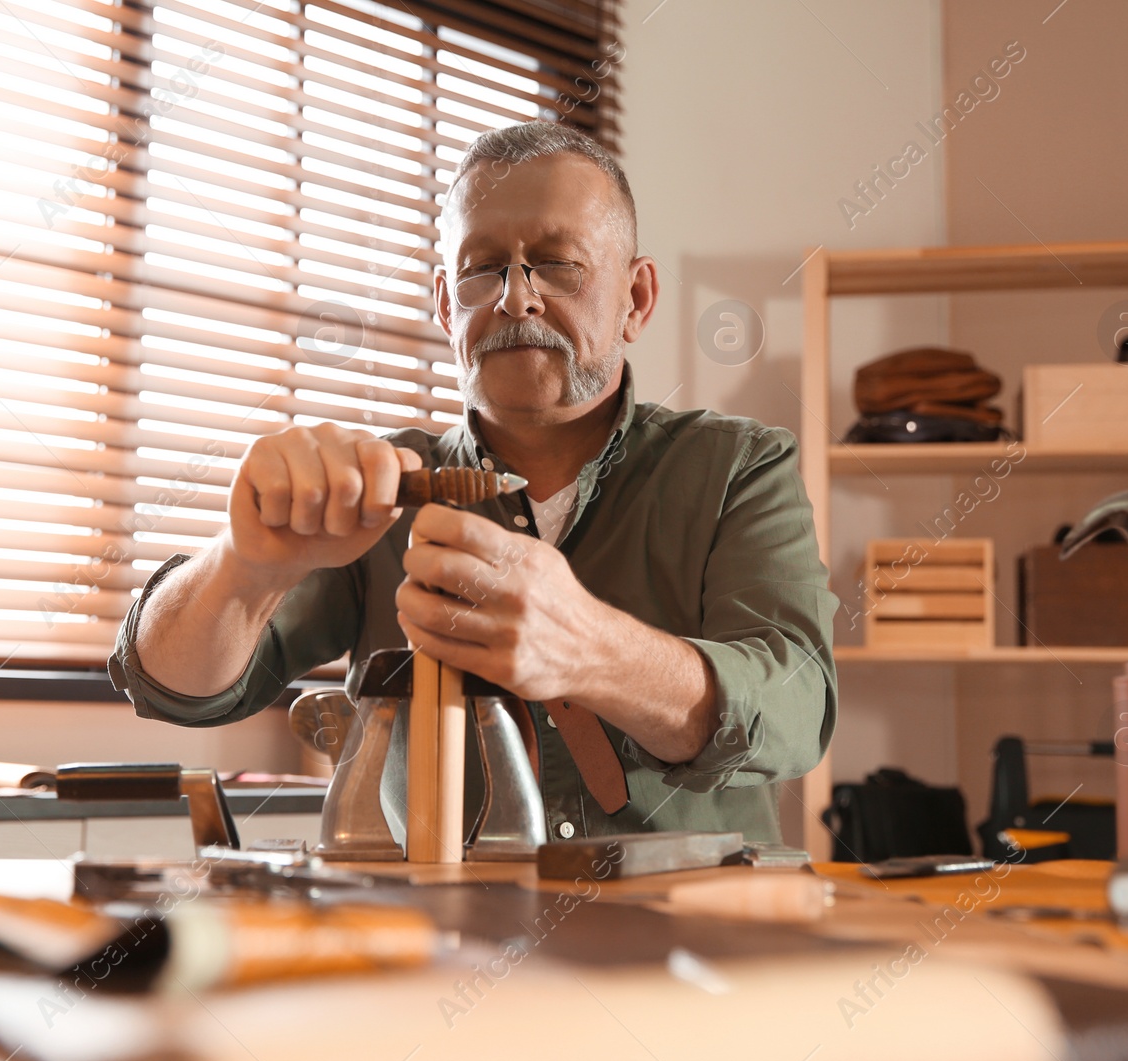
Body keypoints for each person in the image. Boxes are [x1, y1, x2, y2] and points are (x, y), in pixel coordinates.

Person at [108, 121, 838, 843]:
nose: (516, 299)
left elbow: (798, 708)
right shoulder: (373, 490)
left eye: (558, 264)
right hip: (437, 944)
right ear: (443, 303)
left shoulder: (740, 467)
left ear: (637, 298)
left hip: (687, 946)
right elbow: (177, 689)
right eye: (481, 269)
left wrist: (590, 649)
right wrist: (242, 567)